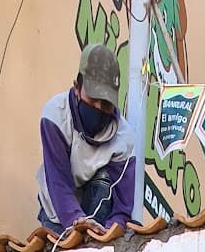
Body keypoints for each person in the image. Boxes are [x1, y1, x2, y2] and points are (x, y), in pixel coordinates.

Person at [37, 44, 136, 236]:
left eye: (106, 104)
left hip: (99, 211)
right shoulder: (55, 116)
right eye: (92, 100)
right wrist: (76, 221)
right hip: (56, 211)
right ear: (76, 87)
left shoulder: (124, 139)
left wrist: (111, 231)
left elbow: (123, 207)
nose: (98, 108)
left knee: (105, 179)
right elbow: (58, 181)